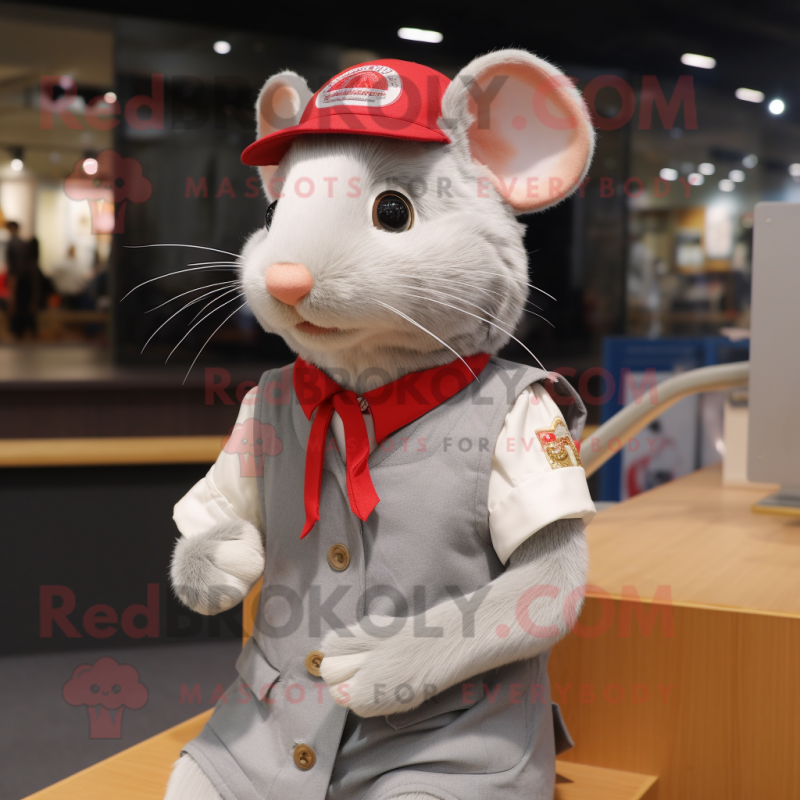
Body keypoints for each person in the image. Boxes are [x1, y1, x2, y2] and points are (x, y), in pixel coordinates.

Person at [5, 221, 40, 339]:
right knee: (25, 313)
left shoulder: (13, 243)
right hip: (24, 281)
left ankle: (20, 333)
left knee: (20, 313)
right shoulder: (20, 244)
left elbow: (12, 268)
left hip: (20, 281)